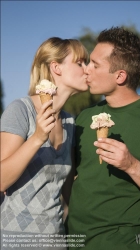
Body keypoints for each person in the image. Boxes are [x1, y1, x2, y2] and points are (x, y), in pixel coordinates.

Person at [67, 27, 140, 250]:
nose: (86, 71)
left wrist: (131, 165)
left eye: (95, 65)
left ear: (120, 76)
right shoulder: (84, 117)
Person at [0, 37, 88, 250]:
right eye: (80, 63)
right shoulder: (21, 110)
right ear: (56, 67)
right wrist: (38, 137)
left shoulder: (69, 121)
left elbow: (67, 188)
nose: (87, 69)